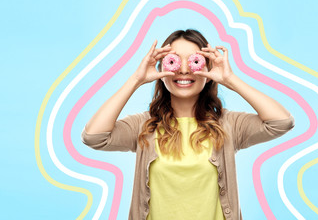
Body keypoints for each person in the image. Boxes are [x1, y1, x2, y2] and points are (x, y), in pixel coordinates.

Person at [81, 29, 294, 220]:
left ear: (208, 71)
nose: (183, 70)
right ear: (161, 71)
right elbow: (94, 136)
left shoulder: (228, 125)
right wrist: (136, 79)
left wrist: (230, 79)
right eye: (174, 61)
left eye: (193, 61)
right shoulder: (144, 126)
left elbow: (281, 122)